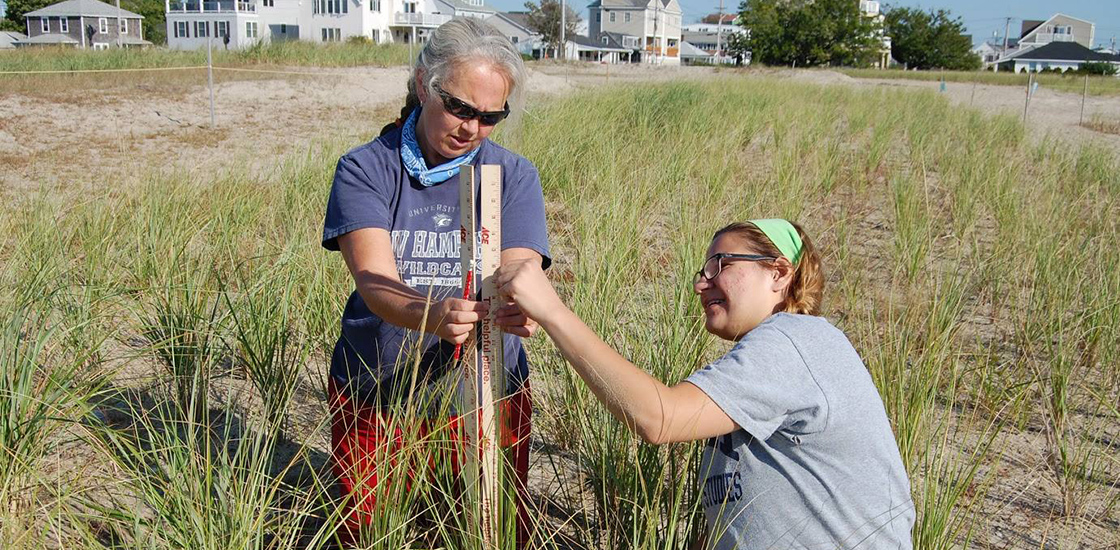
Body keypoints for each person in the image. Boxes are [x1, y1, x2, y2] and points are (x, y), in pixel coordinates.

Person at [495, 219, 915, 549]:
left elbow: (660, 419)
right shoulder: (767, 359)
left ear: (780, 273)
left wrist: (552, 310)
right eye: (702, 270)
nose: (702, 282)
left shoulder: (796, 340)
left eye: (721, 265)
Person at [321, 18, 550, 546]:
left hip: (487, 390)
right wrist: (433, 314)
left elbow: (520, 265)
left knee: (485, 526)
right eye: (461, 108)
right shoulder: (366, 169)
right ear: (424, 83)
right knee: (370, 528)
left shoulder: (513, 175)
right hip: (376, 387)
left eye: (492, 116)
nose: (472, 127)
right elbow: (376, 282)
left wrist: (522, 300)